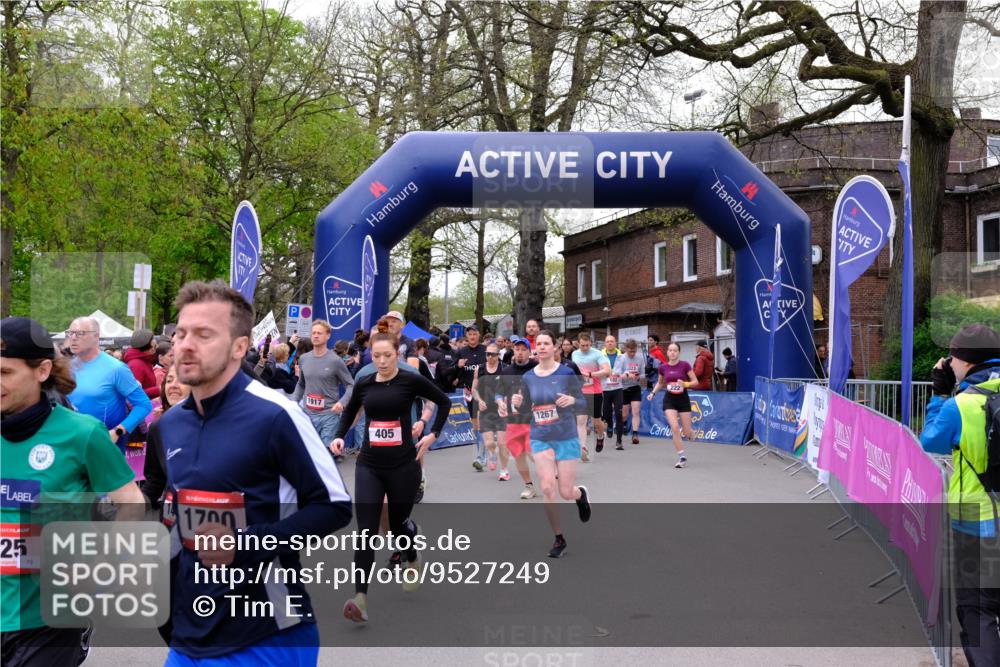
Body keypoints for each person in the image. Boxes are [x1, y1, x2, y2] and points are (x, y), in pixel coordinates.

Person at [160, 280, 352, 663]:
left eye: (203, 334)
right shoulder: (168, 424)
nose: (185, 345)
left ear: (239, 347)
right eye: (181, 333)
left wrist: (245, 543)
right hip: (190, 632)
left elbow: (334, 506)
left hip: (267, 629)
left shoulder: (276, 414)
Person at [1, 317, 143, 667]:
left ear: (42, 370)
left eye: (5, 372)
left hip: (48, 620)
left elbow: (131, 503)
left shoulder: (82, 434)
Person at [330, 319, 451, 623]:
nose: (381, 361)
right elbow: (350, 411)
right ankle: (360, 598)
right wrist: (340, 436)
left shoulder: (411, 380)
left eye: (387, 355)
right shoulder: (365, 382)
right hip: (369, 465)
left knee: (397, 527)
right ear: (370, 354)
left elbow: (444, 401)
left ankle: (410, 554)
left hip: (402, 466)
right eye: (376, 356)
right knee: (366, 533)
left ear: (397, 353)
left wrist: (432, 433)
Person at [919, 324, 1000, 666]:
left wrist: (939, 396)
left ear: (965, 363)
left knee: (977, 610)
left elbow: (931, 442)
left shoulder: (961, 406)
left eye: (951, 358)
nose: (948, 364)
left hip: (977, 526)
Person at [507, 330, 591, 558]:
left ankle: (579, 494)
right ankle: (559, 538)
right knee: (546, 486)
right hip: (540, 436)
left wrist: (573, 399)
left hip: (566, 436)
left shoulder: (566, 372)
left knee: (565, 491)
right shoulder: (528, 377)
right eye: (539, 344)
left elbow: (583, 401)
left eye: (546, 343)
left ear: (555, 347)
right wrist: (517, 403)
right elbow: (525, 409)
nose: (542, 347)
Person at [66, 316, 152, 453]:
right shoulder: (67, 368)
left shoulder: (116, 369)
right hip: (73, 448)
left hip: (105, 450)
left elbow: (144, 405)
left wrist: (118, 431)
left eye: (80, 333)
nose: (73, 337)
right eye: (70, 333)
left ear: (96, 336)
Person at [292, 320, 355, 460]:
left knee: (325, 457)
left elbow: (351, 385)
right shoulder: (303, 359)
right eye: (313, 333)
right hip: (308, 415)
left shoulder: (335, 361)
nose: (315, 336)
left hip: (329, 415)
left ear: (328, 336)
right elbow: (301, 384)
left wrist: (342, 402)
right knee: (309, 458)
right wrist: (294, 401)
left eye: (319, 333)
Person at [141, 361, 191, 509]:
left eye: (182, 380)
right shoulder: (158, 427)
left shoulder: (217, 425)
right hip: (174, 520)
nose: (173, 385)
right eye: (169, 380)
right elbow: (155, 480)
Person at [497, 337, 540, 498]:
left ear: (529, 351)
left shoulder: (537, 368)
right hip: (513, 420)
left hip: (534, 419)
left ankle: (551, 471)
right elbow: (498, 392)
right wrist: (500, 402)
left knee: (533, 453)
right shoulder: (507, 371)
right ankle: (529, 486)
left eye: (523, 349)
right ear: (513, 351)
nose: (520, 353)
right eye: (517, 349)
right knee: (518, 455)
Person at [647, 341, 699, 469]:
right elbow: (660, 383)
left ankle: (691, 433)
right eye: (670, 350)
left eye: (675, 350)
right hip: (669, 399)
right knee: (674, 427)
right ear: (667, 352)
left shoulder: (685, 365)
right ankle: (682, 457)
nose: (672, 352)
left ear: (679, 352)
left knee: (687, 433)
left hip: (683, 400)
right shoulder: (663, 367)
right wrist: (653, 393)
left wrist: (685, 384)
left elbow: (695, 382)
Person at [473, 342, 509, 480]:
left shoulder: (504, 369)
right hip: (485, 410)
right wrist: (479, 400)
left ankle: (504, 470)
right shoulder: (480, 369)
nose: (490, 357)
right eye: (487, 354)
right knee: (489, 442)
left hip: (501, 411)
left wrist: (505, 401)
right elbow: (474, 389)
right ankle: (492, 454)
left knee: (502, 443)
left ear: (498, 355)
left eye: (493, 354)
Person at [572, 333, 611, 452]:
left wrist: (591, 374)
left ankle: (600, 436)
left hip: (595, 391)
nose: (585, 348)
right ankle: (583, 448)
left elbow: (608, 371)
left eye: (587, 345)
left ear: (591, 343)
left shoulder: (597, 354)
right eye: (582, 345)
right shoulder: (574, 354)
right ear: (578, 343)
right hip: (580, 392)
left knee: (596, 421)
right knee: (581, 420)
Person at [456, 325, 488, 471]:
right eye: (470, 334)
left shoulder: (485, 350)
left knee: (483, 423)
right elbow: (455, 372)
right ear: (467, 336)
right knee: (475, 425)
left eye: (475, 334)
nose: (473, 337)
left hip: (485, 391)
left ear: (478, 335)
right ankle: (482, 452)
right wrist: (459, 367)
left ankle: (481, 456)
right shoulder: (461, 352)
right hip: (469, 392)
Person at [615, 339, 647, 445]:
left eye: (634, 351)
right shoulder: (621, 358)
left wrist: (638, 376)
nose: (632, 354)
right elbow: (617, 374)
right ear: (625, 349)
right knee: (624, 414)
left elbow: (644, 375)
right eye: (630, 352)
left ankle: (635, 433)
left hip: (635, 387)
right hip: (623, 389)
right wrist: (626, 375)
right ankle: (623, 424)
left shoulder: (640, 358)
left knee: (636, 411)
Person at [601, 335, 626, 450]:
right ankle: (610, 425)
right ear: (605, 344)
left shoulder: (622, 356)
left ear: (615, 343)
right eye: (608, 342)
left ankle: (619, 441)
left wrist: (623, 374)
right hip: (605, 389)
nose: (610, 343)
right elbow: (596, 369)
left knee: (619, 414)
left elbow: (627, 369)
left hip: (617, 388)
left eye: (612, 341)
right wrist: (603, 373)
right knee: (606, 413)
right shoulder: (600, 355)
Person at [125, 328, 161, 399]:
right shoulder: (136, 364)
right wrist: (159, 389)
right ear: (150, 349)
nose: (156, 348)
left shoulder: (144, 361)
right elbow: (134, 393)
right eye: (155, 346)